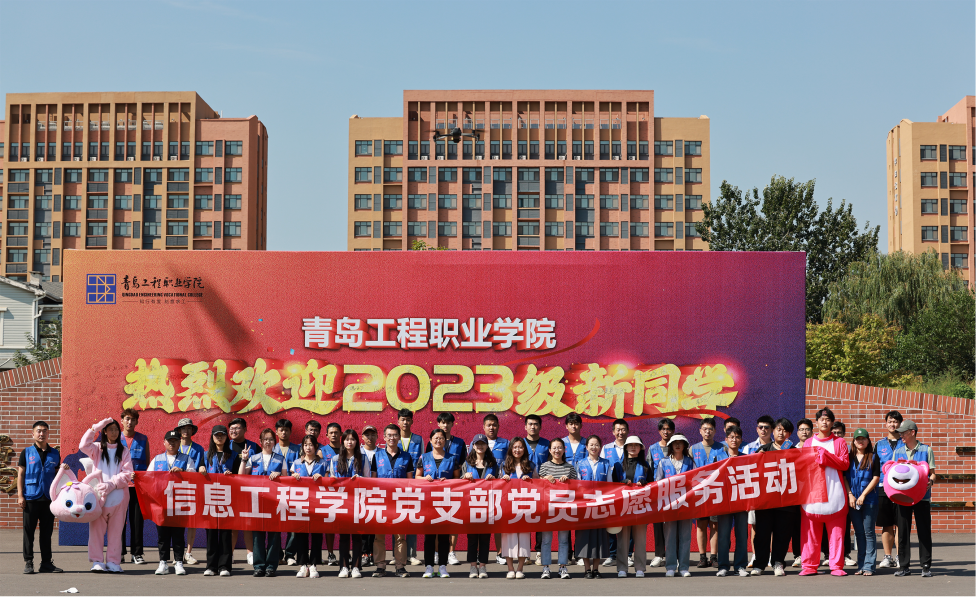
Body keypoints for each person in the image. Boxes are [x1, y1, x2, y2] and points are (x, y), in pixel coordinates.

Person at [799, 407, 849, 577]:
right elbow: (803, 466)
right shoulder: (808, 443)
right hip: (812, 495)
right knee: (810, 534)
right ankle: (809, 565)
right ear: (817, 422)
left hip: (835, 494)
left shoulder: (840, 442)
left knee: (837, 534)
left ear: (832, 422)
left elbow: (844, 464)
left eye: (828, 420)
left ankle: (837, 565)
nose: (825, 422)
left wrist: (825, 456)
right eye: (821, 419)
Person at [79, 417, 134, 573]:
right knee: (96, 531)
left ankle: (113, 562)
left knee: (116, 532)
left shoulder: (124, 451)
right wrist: (95, 427)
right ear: (104, 431)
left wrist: (112, 484)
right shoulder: (97, 449)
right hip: (99, 497)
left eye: (116, 429)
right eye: (110, 429)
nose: (114, 432)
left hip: (119, 497)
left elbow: (128, 473)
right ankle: (97, 561)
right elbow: (83, 445)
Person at [239, 428, 286, 577]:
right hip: (256, 501)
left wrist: (279, 474)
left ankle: (271, 566)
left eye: (271, 439)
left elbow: (287, 480)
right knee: (257, 535)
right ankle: (259, 566)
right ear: (260, 441)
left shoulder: (280, 458)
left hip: (274, 501)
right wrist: (244, 459)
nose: (268, 442)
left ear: (274, 442)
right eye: (265, 439)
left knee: (274, 535)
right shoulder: (254, 458)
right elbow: (241, 476)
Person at [18, 420, 62, 574]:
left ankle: (46, 563)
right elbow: (21, 474)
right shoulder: (26, 452)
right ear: (33, 434)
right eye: (39, 431)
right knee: (29, 532)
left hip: (48, 498)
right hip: (30, 497)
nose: (41, 434)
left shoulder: (55, 453)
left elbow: (58, 475)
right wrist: (20, 495)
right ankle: (28, 562)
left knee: (46, 533)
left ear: (48, 433)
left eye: (44, 431)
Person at [892, 420, 935, 577]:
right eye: (900, 433)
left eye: (903, 432)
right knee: (903, 531)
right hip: (902, 497)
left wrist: (931, 481)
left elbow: (933, 473)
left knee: (924, 532)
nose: (901, 435)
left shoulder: (926, 450)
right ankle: (903, 566)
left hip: (922, 497)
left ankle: (926, 566)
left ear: (912, 432)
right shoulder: (898, 452)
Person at [752, 417, 795, 576]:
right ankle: (759, 564)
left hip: (786, 501)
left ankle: (778, 563)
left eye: (785, 430)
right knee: (762, 534)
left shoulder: (794, 451)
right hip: (765, 501)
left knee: (782, 534)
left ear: (789, 434)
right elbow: (754, 472)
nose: (781, 433)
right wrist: (757, 458)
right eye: (779, 429)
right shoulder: (763, 450)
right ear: (773, 431)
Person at [330, 429, 373, 579]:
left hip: (358, 501)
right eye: (347, 439)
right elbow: (331, 479)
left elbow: (368, 479)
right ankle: (343, 567)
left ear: (357, 441)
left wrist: (359, 479)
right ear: (343, 441)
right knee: (343, 537)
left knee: (357, 537)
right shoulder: (335, 459)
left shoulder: (363, 458)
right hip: (341, 502)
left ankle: (356, 567)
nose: (350, 442)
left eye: (353, 439)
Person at [373, 424, 415, 578]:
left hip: (400, 500)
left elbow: (410, 481)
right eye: (389, 435)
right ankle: (380, 566)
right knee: (379, 535)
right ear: (384, 437)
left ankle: (400, 566)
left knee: (400, 536)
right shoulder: (377, 456)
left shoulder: (407, 456)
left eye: (395, 435)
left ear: (399, 437)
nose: (392, 438)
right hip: (381, 500)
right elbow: (373, 479)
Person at [417, 428, 460, 578]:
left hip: (445, 501)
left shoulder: (452, 458)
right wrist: (425, 478)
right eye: (435, 438)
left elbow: (457, 479)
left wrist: (448, 481)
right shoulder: (424, 457)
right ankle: (429, 566)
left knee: (443, 536)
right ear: (430, 440)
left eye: (441, 438)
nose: (438, 440)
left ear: (445, 441)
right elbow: (417, 477)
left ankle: (442, 566)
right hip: (428, 501)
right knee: (429, 536)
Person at [198, 424, 239, 577]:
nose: (219, 437)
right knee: (211, 533)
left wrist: (232, 475)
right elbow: (198, 471)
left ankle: (224, 566)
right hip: (210, 497)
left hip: (227, 497)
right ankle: (211, 566)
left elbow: (240, 475)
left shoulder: (233, 455)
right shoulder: (205, 455)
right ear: (212, 437)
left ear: (227, 437)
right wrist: (201, 469)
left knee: (226, 533)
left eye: (222, 435)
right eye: (217, 435)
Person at [426, 412, 466, 566]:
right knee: (436, 520)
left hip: (453, 488)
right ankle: (437, 552)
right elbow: (428, 459)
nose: (445, 425)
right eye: (442, 422)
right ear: (438, 424)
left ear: (452, 424)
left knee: (452, 520)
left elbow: (463, 465)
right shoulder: (432, 441)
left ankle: (451, 552)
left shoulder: (460, 442)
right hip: (433, 490)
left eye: (448, 422)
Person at [149, 430, 189, 575]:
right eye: (169, 441)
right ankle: (163, 562)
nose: (172, 443)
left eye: (175, 441)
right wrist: (136, 477)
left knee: (178, 534)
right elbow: (148, 477)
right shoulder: (157, 459)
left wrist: (182, 471)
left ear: (179, 443)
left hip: (179, 502)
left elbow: (194, 476)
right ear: (164, 442)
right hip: (161, 503)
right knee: (162, 534)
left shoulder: (186, 459)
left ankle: (179, 562)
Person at [612, 436, 651, 578]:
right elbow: (612, 486)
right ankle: (622, 568)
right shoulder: (618, 466)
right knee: (623, 538)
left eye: (636, 445)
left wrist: (645, 483)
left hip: (640, 506)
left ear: (641, 448)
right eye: (630, 445)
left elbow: (653, 485)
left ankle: (640, 567)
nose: (633, 447)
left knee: (640, 539)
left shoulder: (646, 466)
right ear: (626, 448)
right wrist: (621, 483)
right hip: (623, 506)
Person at [657, 433, 695, 577]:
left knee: (685, 536)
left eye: (681, 442)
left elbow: (696, 481)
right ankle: (671, 567)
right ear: (671, 446)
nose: (678, 445)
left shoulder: (690, 462)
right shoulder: (663, 462)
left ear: (685, 445)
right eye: (675, 443)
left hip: (686, 504)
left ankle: (684, 567)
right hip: (669, 505)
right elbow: (658, 483)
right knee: (670, 536)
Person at [575, 434, 612, 579]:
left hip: (600, 506)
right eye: (591, 444)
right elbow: (577, 485)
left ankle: (596, 569)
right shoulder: (580, 463)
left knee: (599, 537)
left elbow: (610, 486)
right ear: (586, 447)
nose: (594, 447)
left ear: (600, 447)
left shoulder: (606, 463)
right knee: (584, 537)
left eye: (596, 444)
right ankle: (587, 569)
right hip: (585, 506)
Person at [500, 436, 537, 578]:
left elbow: (538, 484)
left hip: (525, 507)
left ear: (524, 449)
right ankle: (510, 569)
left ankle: (520, 568)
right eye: (514, 447)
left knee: (523, 538)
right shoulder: (504, 465)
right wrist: (503, 480)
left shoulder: (531, 465)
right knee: (507, 538)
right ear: (510, 449)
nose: (517, 450)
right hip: (508, 507)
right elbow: (496, 485)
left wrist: (531, 481)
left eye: (520, 447)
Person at [539, 437, 576, 579]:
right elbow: (538, 487)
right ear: (549, 450)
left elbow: (577, 487)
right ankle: (546, 568)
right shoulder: (544, 466)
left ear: (564, 450)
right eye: (554, 448)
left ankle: (563, 567)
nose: (557, 450)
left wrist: (568, 481)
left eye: (560, 447)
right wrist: (544, 479)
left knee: (564, 540)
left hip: (564, 509)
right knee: (546, 540)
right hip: (547, 508)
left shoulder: (569, 468)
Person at [291, 434, 327, 578]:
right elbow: (289, 481)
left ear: (316, 446)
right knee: (301, 534)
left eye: (311, 444)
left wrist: (323, 478)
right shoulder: (296, 463)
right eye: (305, 445)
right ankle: (303, 565)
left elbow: (331, 480)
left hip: (318, 504)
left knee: (317, 535)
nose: (308, 447)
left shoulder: (323, 463)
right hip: (301, 504)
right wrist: (293, 477)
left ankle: (313, 565)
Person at [714, 426, 748, 577]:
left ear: (741, 440)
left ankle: (740, 566)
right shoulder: (718, 457)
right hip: (724, 501)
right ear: (726, 440)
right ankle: (723, 566)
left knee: (741, 535)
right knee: (723, 535)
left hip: (741, 501)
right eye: (731, 437)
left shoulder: (746, 458)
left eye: (737, 437)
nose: (734, 440)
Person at [462, 433, 497, 579]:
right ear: (473, 446)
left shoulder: (493, 463)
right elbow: (459, 484)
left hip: (488, 506)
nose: (480, 446)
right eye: (477, 444)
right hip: (471, 506)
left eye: (483, 443)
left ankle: (482, 566)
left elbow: (501, 482)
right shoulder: (467, 463)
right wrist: (465, 477)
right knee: (472, 538)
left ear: (487, 446)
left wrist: (494, 479)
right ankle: (473, 566)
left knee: (484, 538)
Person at [847, 428, 880, 575]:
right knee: (859, 533)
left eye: (863, 439)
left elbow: (876, 478)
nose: (861, 441)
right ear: (854, 441)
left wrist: (863, 495)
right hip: (853, 500)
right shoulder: (849, 457)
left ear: (868, 441)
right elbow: (845, 478)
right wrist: (850, 495)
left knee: (869, 532)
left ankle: (869, 566)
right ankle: (861, 565)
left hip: (869, 500)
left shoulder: (873, 457)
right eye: (858, 439)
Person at [743, 414, 774, 568]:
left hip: (773, 491)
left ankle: (770, 556)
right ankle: (756, 555)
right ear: (756, 429)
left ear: (772, 429)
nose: (763, 430)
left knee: (772, 526)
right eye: (760, 427)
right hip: (755, 491)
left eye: (766, 427)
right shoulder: (748, 448)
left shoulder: (778, 447)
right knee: (755, 525)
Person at [227, 417, 259, 567]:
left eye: (237, 428)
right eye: (231, 428)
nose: (234, 431)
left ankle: (250, 553)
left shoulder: (254, 447)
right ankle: (230, 553)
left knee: (247, 523)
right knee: (232, 524)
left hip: (248, 490)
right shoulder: (226, 445)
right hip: (230, 490)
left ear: (245, 429)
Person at [118, 409, 148, 565]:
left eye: (133, 420)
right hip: (120, 486)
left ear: (137, 422)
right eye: (127, 419)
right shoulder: (115, 438)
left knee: (137, 521)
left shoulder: (143, 439)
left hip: (137, 486)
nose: (130, 422)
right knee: (119, 520)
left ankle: (137, 553)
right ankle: (119, 552)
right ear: (122, 420)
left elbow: (146, 462)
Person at [876, 410, 904, 569]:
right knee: (886, 524)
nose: (892, 424)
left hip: (902, 488)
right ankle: (888, 557)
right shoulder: (879, 444)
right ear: (886, 423)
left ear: (900, 424)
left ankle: (900, 556)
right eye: (890, 421)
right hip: (883, 488)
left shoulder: (905, 443)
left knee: (900, 523)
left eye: (895, 422)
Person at [175, 417, 205, 566]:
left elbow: (201, 466)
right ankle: (178, 554)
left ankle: (188, 553)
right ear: (179, 431)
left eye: (188, 428)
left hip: (192, 489)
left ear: (192, 430)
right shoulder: (174, 446)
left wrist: (202, 468)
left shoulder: (198, 449)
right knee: (178, 522)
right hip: (176, 489)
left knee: (192, 521)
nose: (186, 431)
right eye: (183, 428)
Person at [691, 417, 720, 568]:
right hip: (699, 493)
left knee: (715, 525)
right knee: (701, 525)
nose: (708, 432)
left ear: (715, 431)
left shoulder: (722, 448)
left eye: (710, 429)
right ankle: (702, 557)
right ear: (700, 431)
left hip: (715, 492)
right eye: (705, 429)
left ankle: (714, 557)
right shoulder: (692, 449)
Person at [396, 409, 424, 566]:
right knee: (397, 520)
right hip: (397, 486)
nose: (405, 422)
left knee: (412, 520)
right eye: (402, 419)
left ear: (412, 421)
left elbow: (423, 461)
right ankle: (398, 554)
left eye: (408, 419)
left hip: (414, 485)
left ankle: (412, 554)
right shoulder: (394, 437)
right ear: (398, 421)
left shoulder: (418, 439)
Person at [273, 419, 302, 566]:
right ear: (276, 432)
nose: (284, 432)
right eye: (281, 430)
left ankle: (290, 554)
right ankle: (277, 554)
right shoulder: (271, 448)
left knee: (293, 524)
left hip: (294, 491)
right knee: (276, 524)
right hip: (275, 492)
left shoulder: (298, 449)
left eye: (286, 430)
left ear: (290, 432)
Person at [481, 413, 508, 564]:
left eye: (494, 425)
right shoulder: (477, 442)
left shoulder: (505, 443)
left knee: (498, 521)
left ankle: (500, 553)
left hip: (499, 488)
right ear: (484, 427)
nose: (491, 427)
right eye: (488, 425)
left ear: (498, 426)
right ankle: (480, 554)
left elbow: (509, 462)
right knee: (481, 522)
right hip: (481, 489)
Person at [646, 418, 674, 568]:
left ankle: (673, 554)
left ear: (673, 431)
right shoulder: (653, 448)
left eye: (669, 429)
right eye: (663, 429)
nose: (666, 431)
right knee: (658, 524)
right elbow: (648, 469)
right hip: (657, 491)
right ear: (659, 431)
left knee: (673, 523)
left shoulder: (677, 446)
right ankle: (659, 554)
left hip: (674, 491)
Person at [601, 419, 629, 568]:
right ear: (613, 432)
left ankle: (628, 555)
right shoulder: (606, 448)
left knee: (628, 523)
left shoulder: (632, 446)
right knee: (611, 523)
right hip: (611, 491)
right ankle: (612, 555)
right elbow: (602, 465)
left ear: (627, 431)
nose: (620, 432)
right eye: (618, 429)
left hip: (629, 491)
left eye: (623, 429)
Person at [523, 415, 549, 564]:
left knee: (540, 520)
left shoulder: (547, 444)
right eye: (530, 424)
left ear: (540, 426)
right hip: (524, 488)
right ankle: (525, 553)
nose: (533, 427)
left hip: (542, 488)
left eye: (536, 424)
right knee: (525, 519)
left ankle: (539, 553)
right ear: (525, 426)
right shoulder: (520, 443)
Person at [789, 418, 814, 567]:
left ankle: (819, 554)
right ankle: (798, 554)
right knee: (796, 524)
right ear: (797, 433)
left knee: (813, 524)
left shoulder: (816, 447)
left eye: (807, 429)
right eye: (801, 429)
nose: (804, 432)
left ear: (812, 431)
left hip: (813, 491)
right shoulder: (791, 449)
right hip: (796, 492)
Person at [320, 421, 343, 566]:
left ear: (341, 434)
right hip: (329, 493)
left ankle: (344, 553)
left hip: (346, 492)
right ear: (326, 435)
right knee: (330, 525)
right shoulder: (321, 451)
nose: (334, 435)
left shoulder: (347, 448)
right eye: (331, 433)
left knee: (345, 524)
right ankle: (330, 553)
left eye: (336, 432)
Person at [359, 425, 379, 569]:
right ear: (362, 437)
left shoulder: (382, 453)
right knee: (363, 526)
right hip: (360, 494)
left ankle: (373, 554)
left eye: (372, 434)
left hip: (377, 494)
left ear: (377, 436)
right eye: (367, 435)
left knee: (374, 526)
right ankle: (364, 554)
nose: (370, 437)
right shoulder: (358, 452)